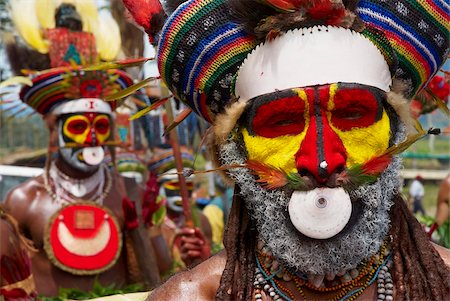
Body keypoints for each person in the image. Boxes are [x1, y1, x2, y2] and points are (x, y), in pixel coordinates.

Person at [124, 0, 450, 300]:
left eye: (352, 115)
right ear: (238, 148)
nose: (321, 161)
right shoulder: (196, 295)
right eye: (282, 122)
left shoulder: (440, 283)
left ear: (393, 133)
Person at [2, 1, 168, 296]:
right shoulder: (22, 201)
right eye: (78, 127)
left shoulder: (131, 192)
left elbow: (163, 274)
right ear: (54, 130)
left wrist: (147, 232)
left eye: (101, 127)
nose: (92, 138)